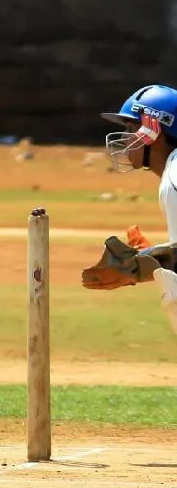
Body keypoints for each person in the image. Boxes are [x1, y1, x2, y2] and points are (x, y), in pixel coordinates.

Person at [82, 84, 177, 332]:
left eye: (131, 128)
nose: (125, 138)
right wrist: (147, 260)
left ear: (152, 130)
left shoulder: (174, 180)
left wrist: (136, 266)